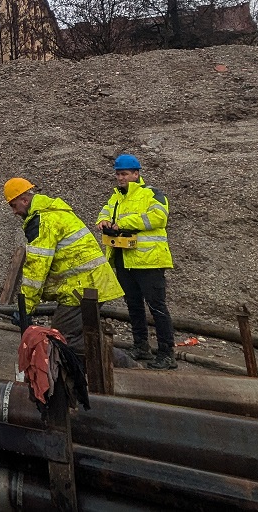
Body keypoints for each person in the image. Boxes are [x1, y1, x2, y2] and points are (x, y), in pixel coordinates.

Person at [5, 177, 124, 359]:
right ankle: (93, 371)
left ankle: (124, 366)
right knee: (79, 335)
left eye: (14, 206)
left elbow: (36, 271)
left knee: (62, 338)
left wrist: (26, 308)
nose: (14, 212)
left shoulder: (42, 221)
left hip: (82, 288)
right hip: (91, 283)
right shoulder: (52, 212)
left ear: (24, 200)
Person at [97, 154, 176, 369]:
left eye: (124, 174)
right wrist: (103, 221)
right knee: (133, 305)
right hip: (124, 258)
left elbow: (158, 217)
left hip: (149, 261)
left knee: (157, 307)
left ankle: (167, 353)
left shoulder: (151, 194)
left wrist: (122, 223)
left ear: (136, 174)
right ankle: (141, 346)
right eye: (117, 174)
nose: (120, 178)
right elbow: (105, 211)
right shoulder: (116, 197)